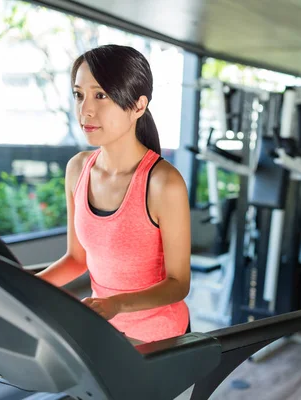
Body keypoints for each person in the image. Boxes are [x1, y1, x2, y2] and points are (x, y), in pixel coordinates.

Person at [36, 45, 192, 344]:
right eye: (79, 94)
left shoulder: (163, 184)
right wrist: (25, 286)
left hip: (159, 336)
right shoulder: (78, 169)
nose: (85, 110)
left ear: (138, 106)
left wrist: (116, 304)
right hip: (104, 330)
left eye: (101, 95)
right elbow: (76, 259)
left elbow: (179, 284)